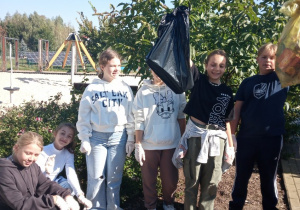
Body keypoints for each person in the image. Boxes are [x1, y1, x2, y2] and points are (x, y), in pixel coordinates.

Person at [173, 50, 235, 210]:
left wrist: (230, 146)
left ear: (225, 68)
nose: (216, 69)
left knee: (211, 184)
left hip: (217, 141)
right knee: (191, 182)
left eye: (221, 66)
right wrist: (179, 30)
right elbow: (186, 59)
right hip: (196, 137)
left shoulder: (227, 92)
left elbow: (227, 122)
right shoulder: (198, 81)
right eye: (213, 64)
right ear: (206, 65)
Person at [229, 43, 289, 210]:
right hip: (246, 138)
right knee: (241, 177)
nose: (268, 61)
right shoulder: (248, 82)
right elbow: (237, 109)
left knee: (269, 178)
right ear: (257, 59)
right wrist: (232, 136)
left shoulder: (283, 79)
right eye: (264, 57)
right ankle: (236, 206)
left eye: (272, 58)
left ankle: (270, 207)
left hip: (272, 139)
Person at [76, 48, 135, 210]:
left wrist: (131, 138)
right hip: (96, 139)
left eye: (119, 65)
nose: (116, 69)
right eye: (112, 65)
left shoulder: (125, 88)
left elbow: (131, 115)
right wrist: (85, 138)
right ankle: (95, 207)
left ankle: (113, 207)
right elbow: (83, 116)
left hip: (119, 137)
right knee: (96, 177)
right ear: (102, 66)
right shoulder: (92, 89)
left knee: (114, 179)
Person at [132, 69, 187, 210]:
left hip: (171, 144)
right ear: (151, 70)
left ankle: (168, 203)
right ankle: (150, 206)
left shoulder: (178, 90)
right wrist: (138, 144)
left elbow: (181, 117)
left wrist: (183, 141)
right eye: (156, 70)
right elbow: (139, 119)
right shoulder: (143, 92)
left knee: (170, 181)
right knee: (149, 181)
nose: (159, 73)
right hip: (149, 145)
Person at [0, 131, 80, 210]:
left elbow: (46, 184)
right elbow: (20, 204)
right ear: (16, 148)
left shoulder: (33, 166)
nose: (31, 159)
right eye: (28, 153)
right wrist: (53, 199)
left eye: (36, 155)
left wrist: (66, 195)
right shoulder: (4, 171)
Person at [36, 122, 92, 209]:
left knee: (69, 187)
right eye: (62, 133)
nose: (65, 138)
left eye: (69, 136)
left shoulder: (68, 153)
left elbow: (71, 173)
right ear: (55, 133)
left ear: (71, 140)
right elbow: (36, 178)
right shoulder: (43, 151)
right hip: (41, 185)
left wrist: (80, 194)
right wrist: (47, 172)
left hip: (55, 182)